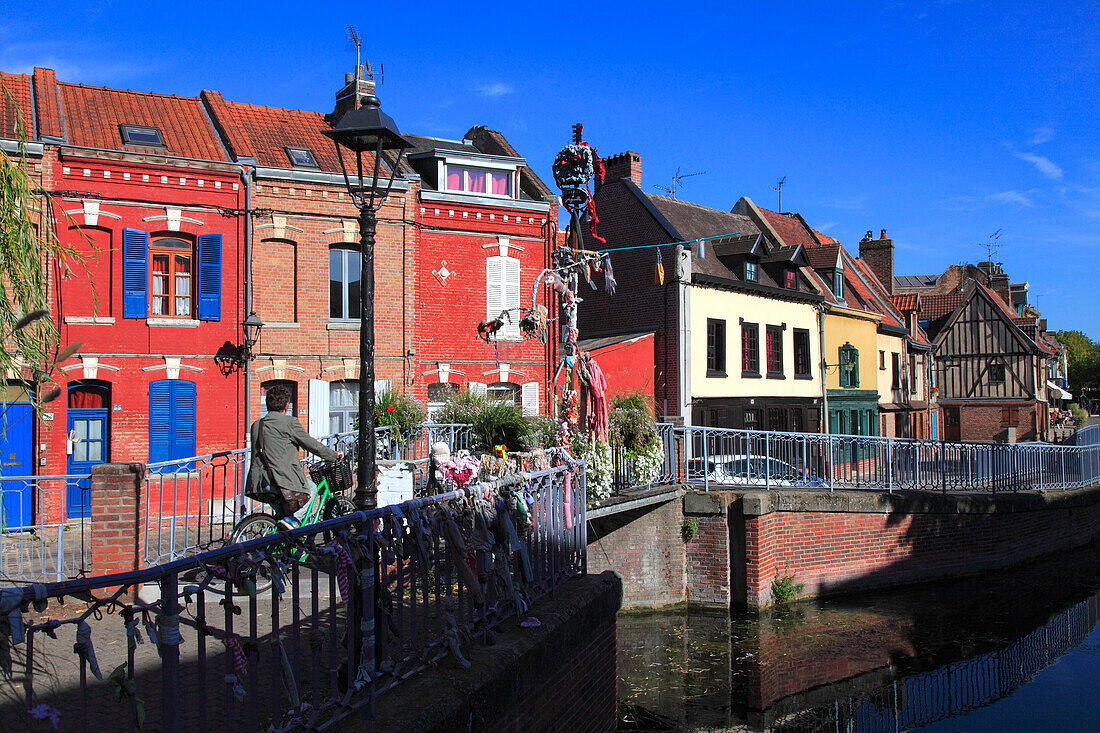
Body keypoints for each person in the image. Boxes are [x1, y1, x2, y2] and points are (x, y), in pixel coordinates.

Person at [246, 384, 341, 529]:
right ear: (286, 405)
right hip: (281, 480)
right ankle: (293, 522)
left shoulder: (256, 425)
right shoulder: (289, 423)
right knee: (312, 489)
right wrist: (333, 455)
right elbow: (311, 444)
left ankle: (288, 546)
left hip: (259, 483)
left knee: (282, 516)